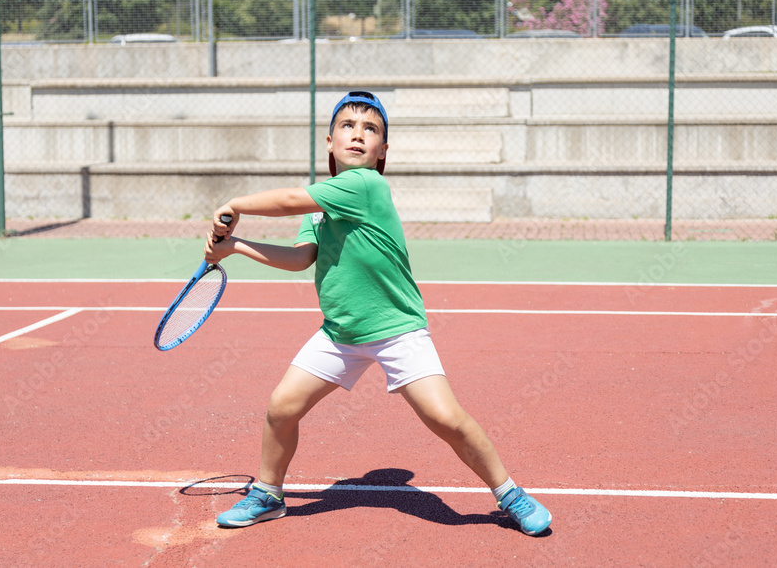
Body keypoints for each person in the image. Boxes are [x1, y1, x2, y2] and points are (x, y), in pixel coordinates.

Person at [204, 91, 551, 536]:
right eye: (348, 126)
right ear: (329, 141)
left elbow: (290, 199)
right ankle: (268, 495)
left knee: (446, 418)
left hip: (396, 330)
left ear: (382, 152)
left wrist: (234, 204)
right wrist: (234, 247)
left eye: (371, 130)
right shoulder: (321, 207)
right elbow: (299, 258)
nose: (358, 135)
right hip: (340, 333)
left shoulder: (366, 185)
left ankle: (510, 495)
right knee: (281, 408)